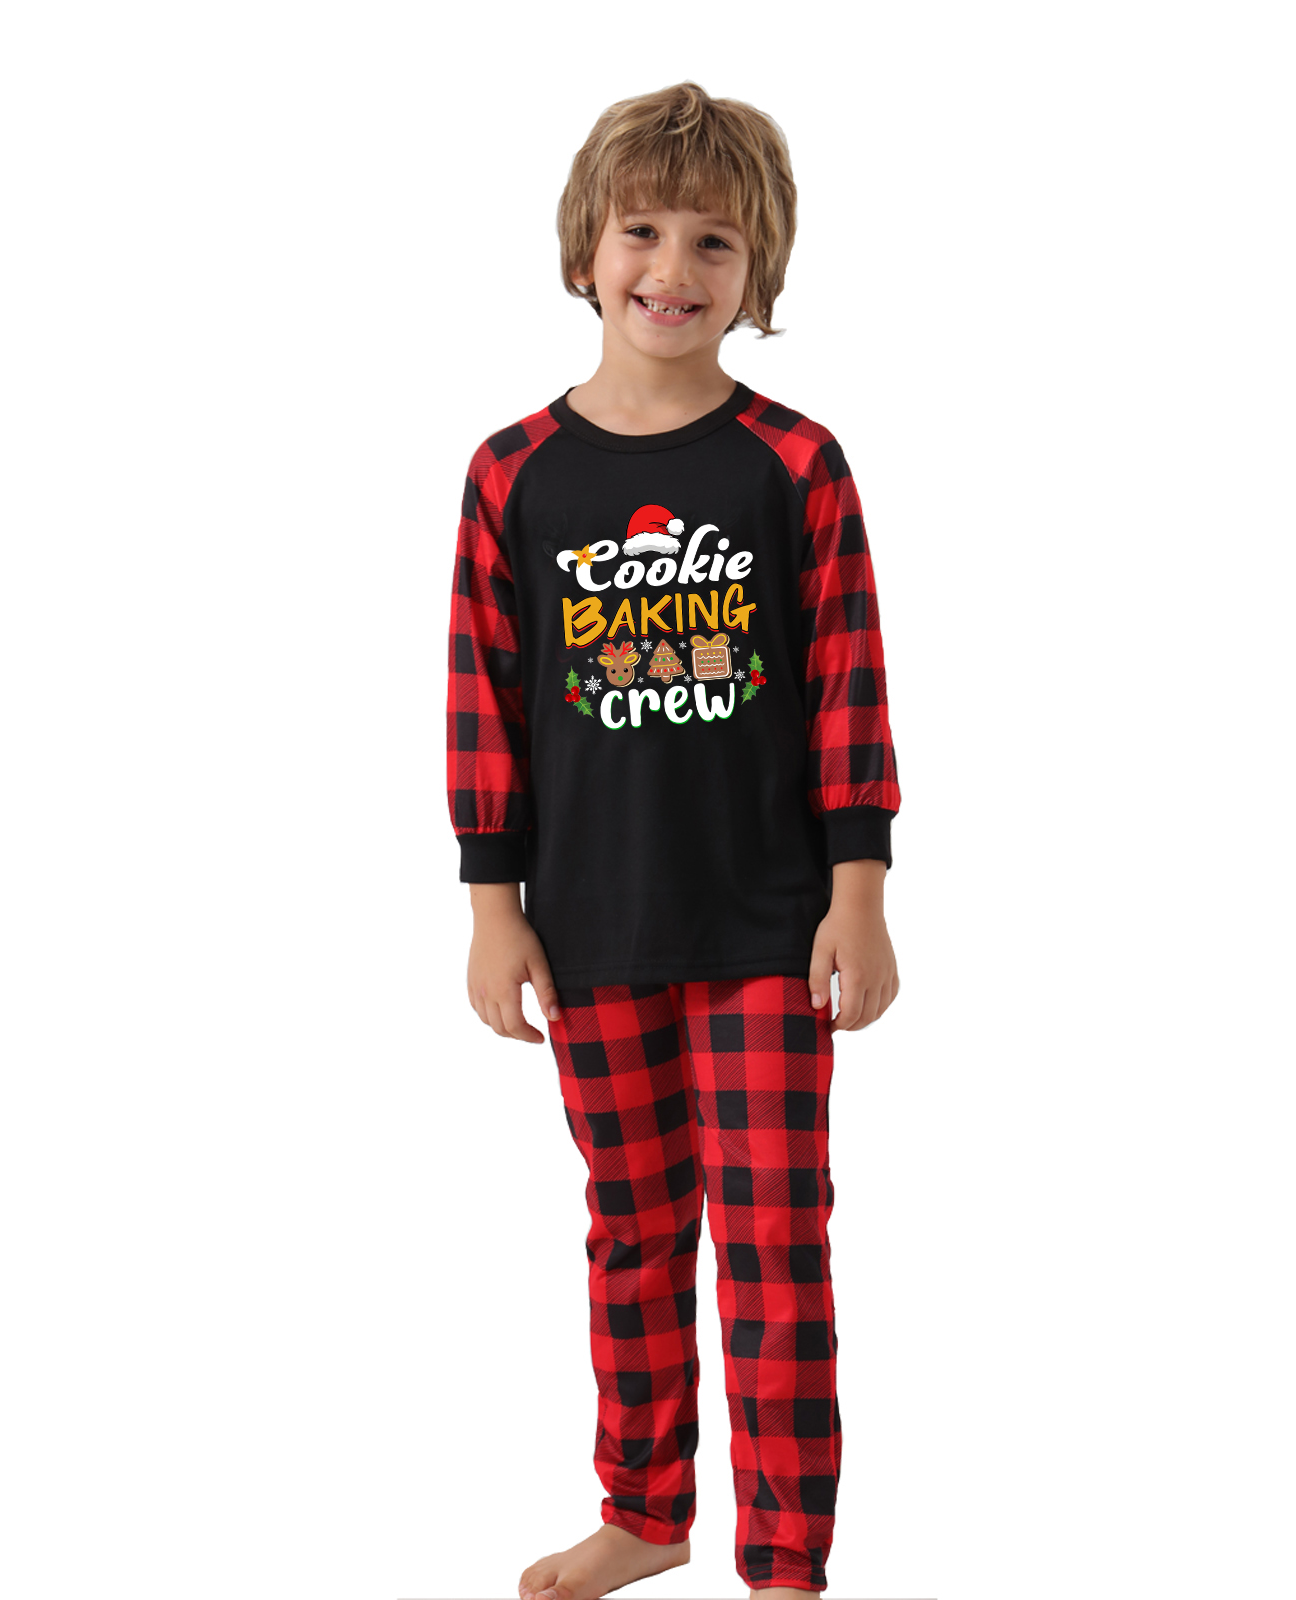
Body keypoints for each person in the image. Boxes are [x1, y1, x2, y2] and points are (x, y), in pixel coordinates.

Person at [445, 80, 902, 1600]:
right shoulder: (513, 472)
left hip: (771, 923)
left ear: (758, 270)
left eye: (716, 241)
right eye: (643, 230)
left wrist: (859, 893)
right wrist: (492, 904)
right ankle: (646, 1510)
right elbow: (484, 697)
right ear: (586, 247)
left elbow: (848, 688)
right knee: (633, 1231)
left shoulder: (796, 463)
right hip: (592, 923)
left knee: (776, 1245)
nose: (674, 268)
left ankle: (786, 1562)